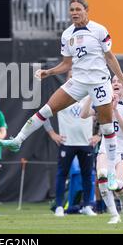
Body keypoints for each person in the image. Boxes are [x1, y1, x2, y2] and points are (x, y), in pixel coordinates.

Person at [0, 0, 123, 192]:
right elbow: (66, 64)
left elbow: (110, 57)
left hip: (99, 83)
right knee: (47, 109)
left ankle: (112, 173)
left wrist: (121, 81)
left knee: (106, 128)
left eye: (78, 9)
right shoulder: (67, 34)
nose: (74, 12)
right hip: (78, 82)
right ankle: (18, 140)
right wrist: (49, 72)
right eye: (71, 9)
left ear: (86, 11)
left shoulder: (99, 30)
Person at [81, 74, 123, 224]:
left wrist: (115, 110)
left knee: (116, 185)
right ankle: (114, 215)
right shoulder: (103, 102)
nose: (116, 83)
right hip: (106, 148)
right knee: (101, 174)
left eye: (120, 81)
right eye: (113, 81)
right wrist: (90, 94)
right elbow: (84, 114)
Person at [44, 72, 99, 217]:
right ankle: (59, 207)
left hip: (86, 143)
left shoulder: (89, 95)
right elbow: (43, 114)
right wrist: (52, 134)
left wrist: (99, 135)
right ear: (67, 79)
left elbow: (104, 114)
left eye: (77, 76)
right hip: (67, 143)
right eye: (71, 77)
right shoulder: (62, 96)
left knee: (88, 175)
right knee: (62, 174)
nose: (74, 79)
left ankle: (87, 206)